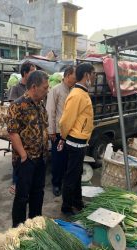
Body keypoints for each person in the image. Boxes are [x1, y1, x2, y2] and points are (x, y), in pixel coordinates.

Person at [7, 70, 49, 227]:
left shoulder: (40, 104)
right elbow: (13, 132)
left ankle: (34, 225)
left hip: (41, 157)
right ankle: (17, 229)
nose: (47, 90)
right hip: (26, 160)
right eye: (45, 88)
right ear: (34, 87)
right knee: (22, 196)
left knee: (38, 193)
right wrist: (24, 156)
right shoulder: (17, 105)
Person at [59, 63, 95, 216]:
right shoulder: (77, 94)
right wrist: (62, 136)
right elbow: (65, 121)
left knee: (76, 174)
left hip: (80, 140)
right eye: (93, 74)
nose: (94, 77)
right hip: (75, 141)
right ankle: (66, 207)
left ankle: (77, 202)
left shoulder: (82, 92)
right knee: (71, 176)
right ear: (87, 75)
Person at [46, 66, 76, 197]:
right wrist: (51, 131)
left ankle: (65, 182)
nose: (76, 79)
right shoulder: (56, 90)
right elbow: (50, 111)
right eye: (75, 76)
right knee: (58, 159)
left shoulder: (75, 90)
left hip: (72, 132)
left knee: (68, 160)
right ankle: (56, 184)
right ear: (68, 75)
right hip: (58, 132)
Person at [8, 61, 36, 194]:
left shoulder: (34, 88)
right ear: (25, 73)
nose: (34, 73)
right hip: (19, 130)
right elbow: (12, 108)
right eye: (32, 71)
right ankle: (15, 183)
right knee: (19, 157)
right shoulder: (16, 88)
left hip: (31, 131)